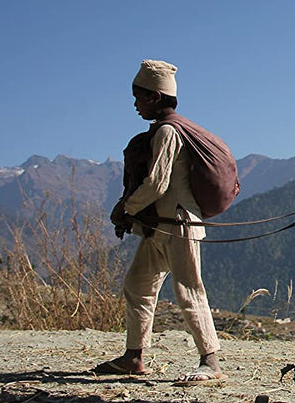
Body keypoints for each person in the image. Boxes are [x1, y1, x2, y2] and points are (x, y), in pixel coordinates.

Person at [96, 59, 227, 385]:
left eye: (139, 97)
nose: (136, 104)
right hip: (160, 227)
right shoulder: (165, 131)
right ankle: (134, 356)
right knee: (138, 284)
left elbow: (157, 183)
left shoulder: (168, 132)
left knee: (189, 290)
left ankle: (210, 361)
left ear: (155, 97)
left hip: (178, 224)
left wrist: (126, 208)